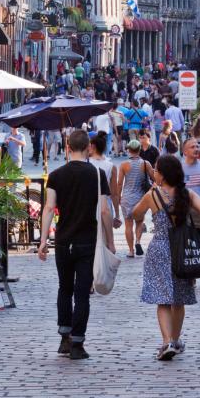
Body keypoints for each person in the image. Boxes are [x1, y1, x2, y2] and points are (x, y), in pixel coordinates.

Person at [39, 129, 115, 361]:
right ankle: (78, 343)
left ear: (68, 148)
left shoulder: (56, 175)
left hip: (63, 241)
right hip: (87, 241)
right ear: (89, 148)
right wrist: (110, 241)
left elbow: (50, 208)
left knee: (64, 288)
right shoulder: (98, 174)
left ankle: (64, 336)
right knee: (82, 293)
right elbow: (104, 210)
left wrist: (43, 240)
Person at [132, 154, 200, 360]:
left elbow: (135, 213)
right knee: (179, 298)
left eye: (157, 170)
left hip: (159, 248)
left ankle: (167, 341)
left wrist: (142, 214)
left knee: (162, 300)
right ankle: (175, 341)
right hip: (182, 249)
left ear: (163, 174)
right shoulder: (187, 194)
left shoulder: (153, 195)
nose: (154, 174)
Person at [119, 139, 154, 257]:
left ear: (129, 150)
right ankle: (138, 242)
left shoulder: (124, 165)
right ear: (139, 150)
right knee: (139, 222)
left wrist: (118, 196)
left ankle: (130, 251)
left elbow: (119, 183)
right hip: (141, 198)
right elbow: (155, 178)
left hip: (127, 198)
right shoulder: (146, 164)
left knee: (128, 225)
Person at [88, 131, 121, 228]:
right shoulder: (111, 166)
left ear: (93, 146)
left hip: (88, 205)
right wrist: (117, 215)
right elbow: (114, 193)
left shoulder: (85, 163)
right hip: (106, 205)